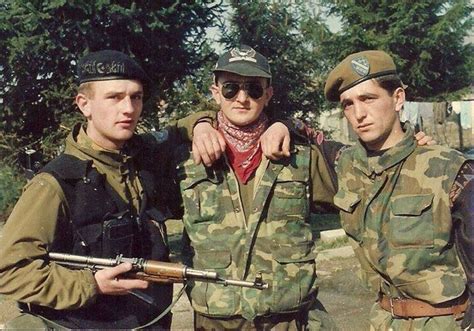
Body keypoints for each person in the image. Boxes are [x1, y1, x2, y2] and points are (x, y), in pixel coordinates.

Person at [0, 49, 235, 329]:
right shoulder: (54, 183)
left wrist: (201, 125)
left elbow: (183, 125)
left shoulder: (141, 154)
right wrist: (89, 284)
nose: (128, 108)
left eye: (136, 97)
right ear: (84, 104)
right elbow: (10, 270)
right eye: (114, 97)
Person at [174, 45, 342, 330]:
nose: (242, 98)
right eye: (230, 89)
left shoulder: (300, 154)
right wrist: (198, 123)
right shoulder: (184, 156)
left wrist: (412, 145)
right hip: (216, 321)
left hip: (287, 319)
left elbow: (364, 169)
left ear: (268, 94)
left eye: (253, 89)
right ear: (215, 92)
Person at [325, 50, 473, 330]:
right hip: (382, 320)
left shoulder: (449, 169)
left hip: (445, 322)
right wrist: (283, 125)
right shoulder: (346, 165)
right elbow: (305, 138)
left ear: (398, 98)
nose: (359, 114)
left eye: (368, 98)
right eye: (348, 104)